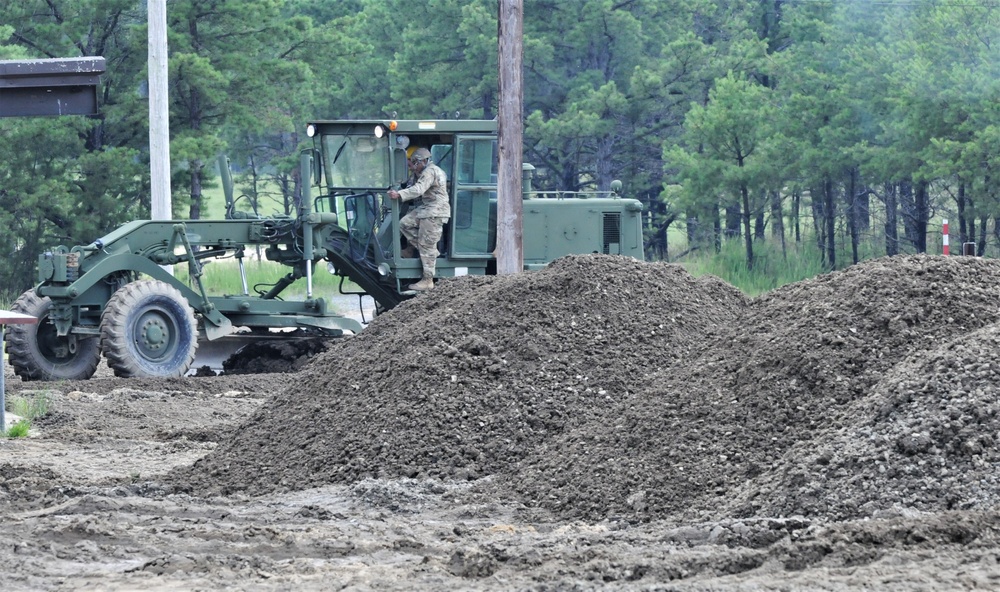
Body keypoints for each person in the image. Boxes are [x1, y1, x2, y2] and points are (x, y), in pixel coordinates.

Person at [387, 147, 449, 291]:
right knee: (404, 223)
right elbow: (411, 185)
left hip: (435, 211)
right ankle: (425, 249)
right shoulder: (422, 172)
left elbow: (418, 190)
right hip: (427, 208)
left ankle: (428, 280)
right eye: (413, 162)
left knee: (427, 245)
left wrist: (399, 194)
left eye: (416, 162)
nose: (414, 165)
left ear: (425, 161)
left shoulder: (430, 172)